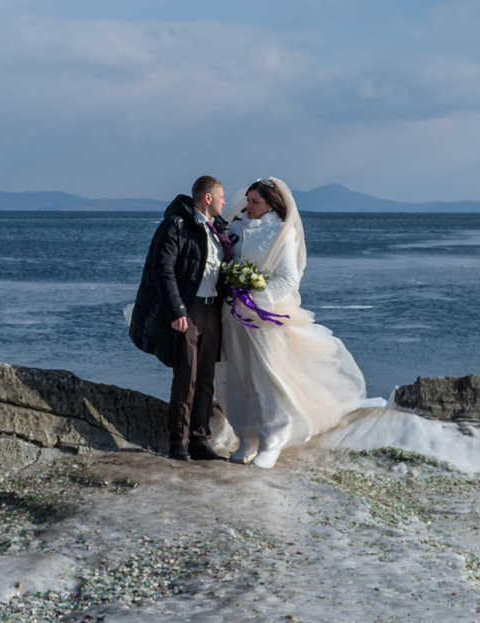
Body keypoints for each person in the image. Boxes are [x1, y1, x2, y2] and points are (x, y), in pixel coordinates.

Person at [218, 176, 365, 467]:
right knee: (234, 377)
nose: (248, 206)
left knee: (265, 378)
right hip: (231, 315)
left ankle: (271, 440)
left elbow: (288, 277)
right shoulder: (234, 227)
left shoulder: (280, 233)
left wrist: (256, 298)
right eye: (248, 200)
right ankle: (245, 437)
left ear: (271, 204)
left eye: (255, 202)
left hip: (264, 316)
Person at [129, 174, 232, 461]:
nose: (226, 201)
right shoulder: (175, 225)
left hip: (212, 310)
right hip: (188, 309)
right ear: (208, 198)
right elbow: (163, 270)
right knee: (185, 376)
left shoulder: (217, 229)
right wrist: (177, 311)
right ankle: (177, 442)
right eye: (222, 196)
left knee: (206, 379)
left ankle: (199, 441)